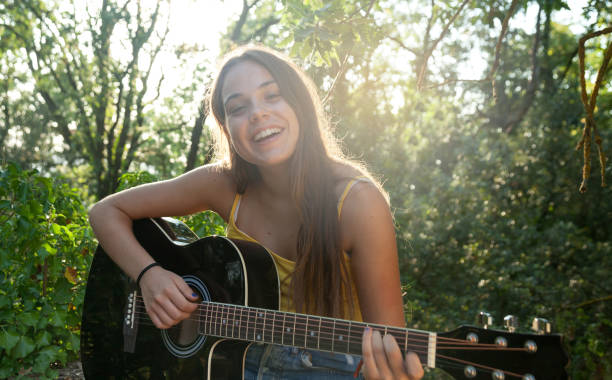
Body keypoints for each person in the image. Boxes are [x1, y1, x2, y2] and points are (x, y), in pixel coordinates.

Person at [88, 45, 424, 380]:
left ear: (299, 105)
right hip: (234, 361)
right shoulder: (223, 184)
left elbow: (392, 345)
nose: (258, 114)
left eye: (272, 96)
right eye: (237, 107)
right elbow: (106, 211)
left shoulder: (357, 203)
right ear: (227, 128)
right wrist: (149, 275)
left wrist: (391, 373)